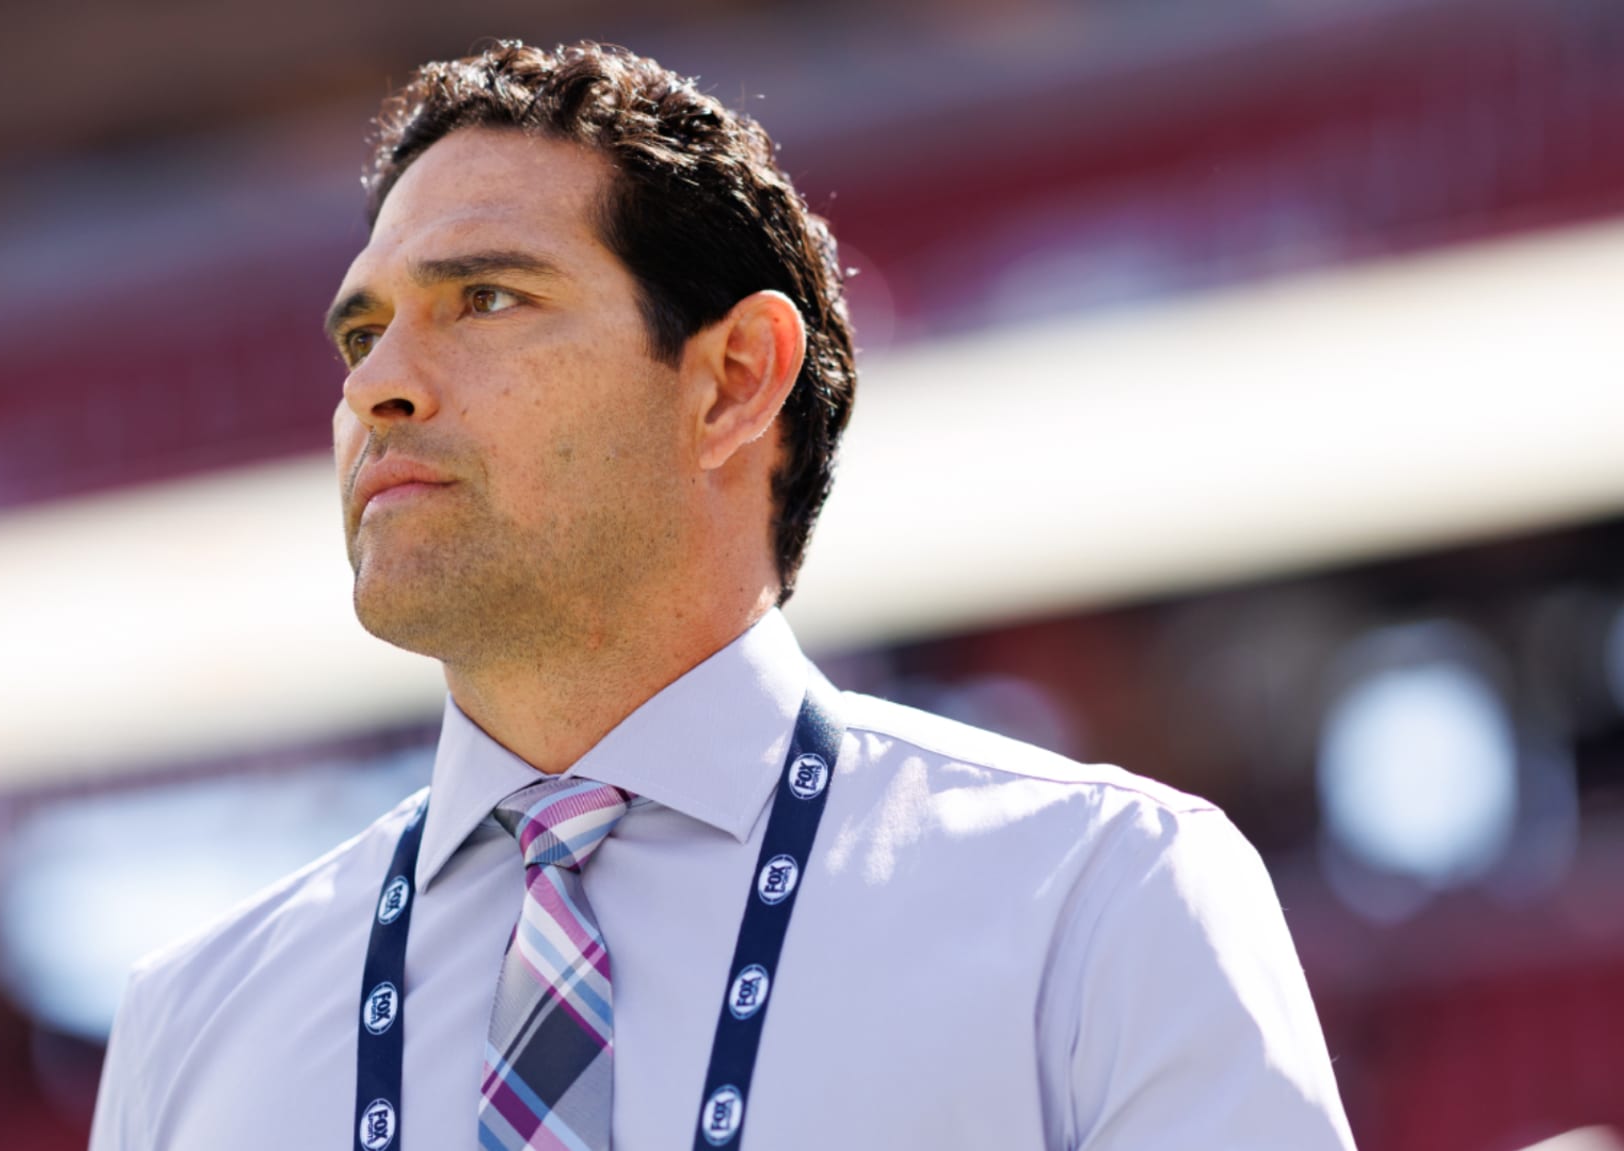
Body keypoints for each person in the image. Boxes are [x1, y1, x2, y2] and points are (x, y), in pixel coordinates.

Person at [88, 41, 1357, 1151]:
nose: (379, 389)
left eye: (485, 298)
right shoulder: (188, 1024)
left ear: (733, 379)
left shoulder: (1097, 897)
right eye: (362, 335)